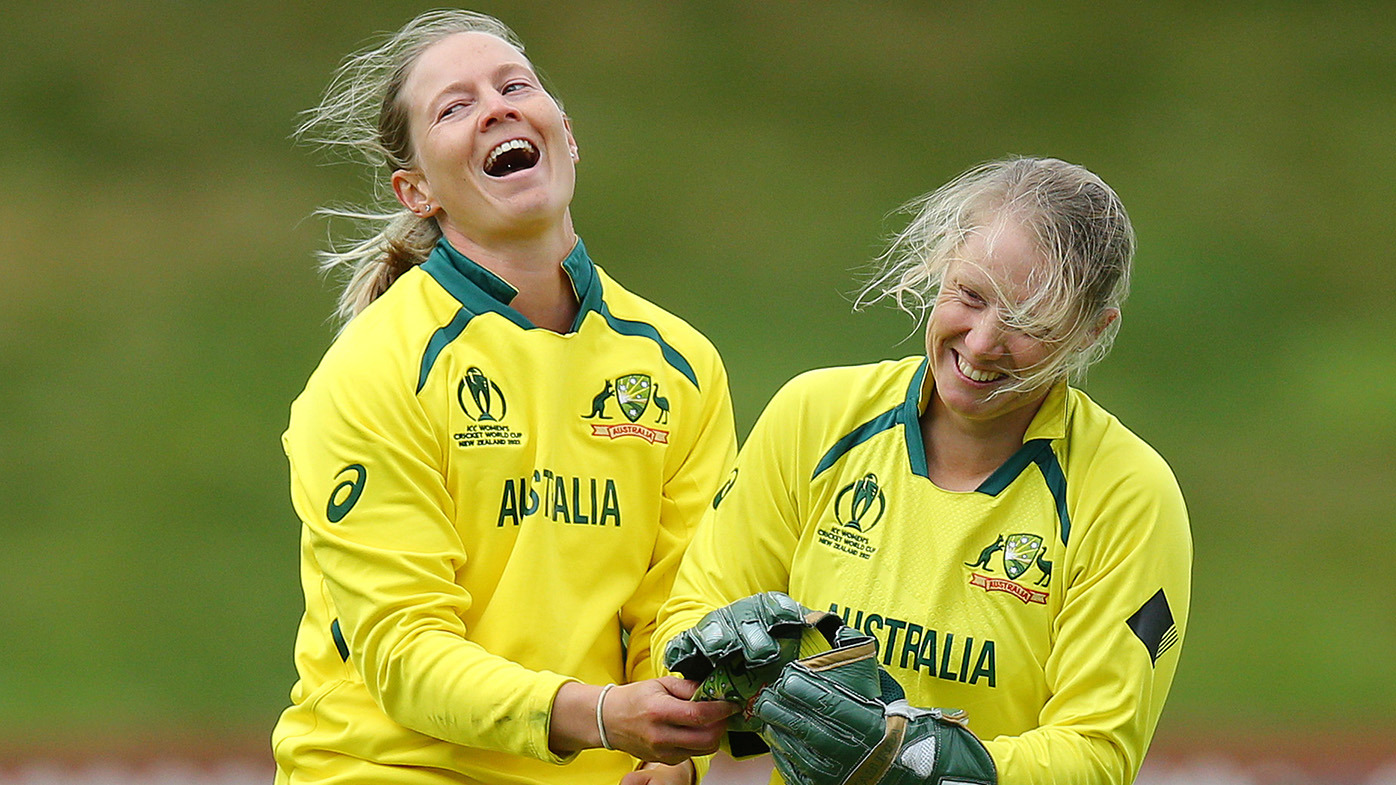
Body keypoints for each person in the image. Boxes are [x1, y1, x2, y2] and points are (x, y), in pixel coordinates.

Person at [270, 10, 738, 785]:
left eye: (515, 84)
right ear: (416, 190)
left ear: (568, 135)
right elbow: (406, 653)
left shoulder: (682, 365)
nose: (497, 107)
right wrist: (599, 713)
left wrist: (680, 749)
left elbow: (684, 604)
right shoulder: (374, 369)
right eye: (454, 107)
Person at [658, 157, 1192, 785]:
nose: (983, 341)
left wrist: (914, 761)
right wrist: (709, 695)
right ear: (940, 266)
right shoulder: (815, 417)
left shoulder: (1128, 496)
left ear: (1091, 333)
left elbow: (1097, 756)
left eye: (1030, 324)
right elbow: (695, 615)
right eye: (969, 295)